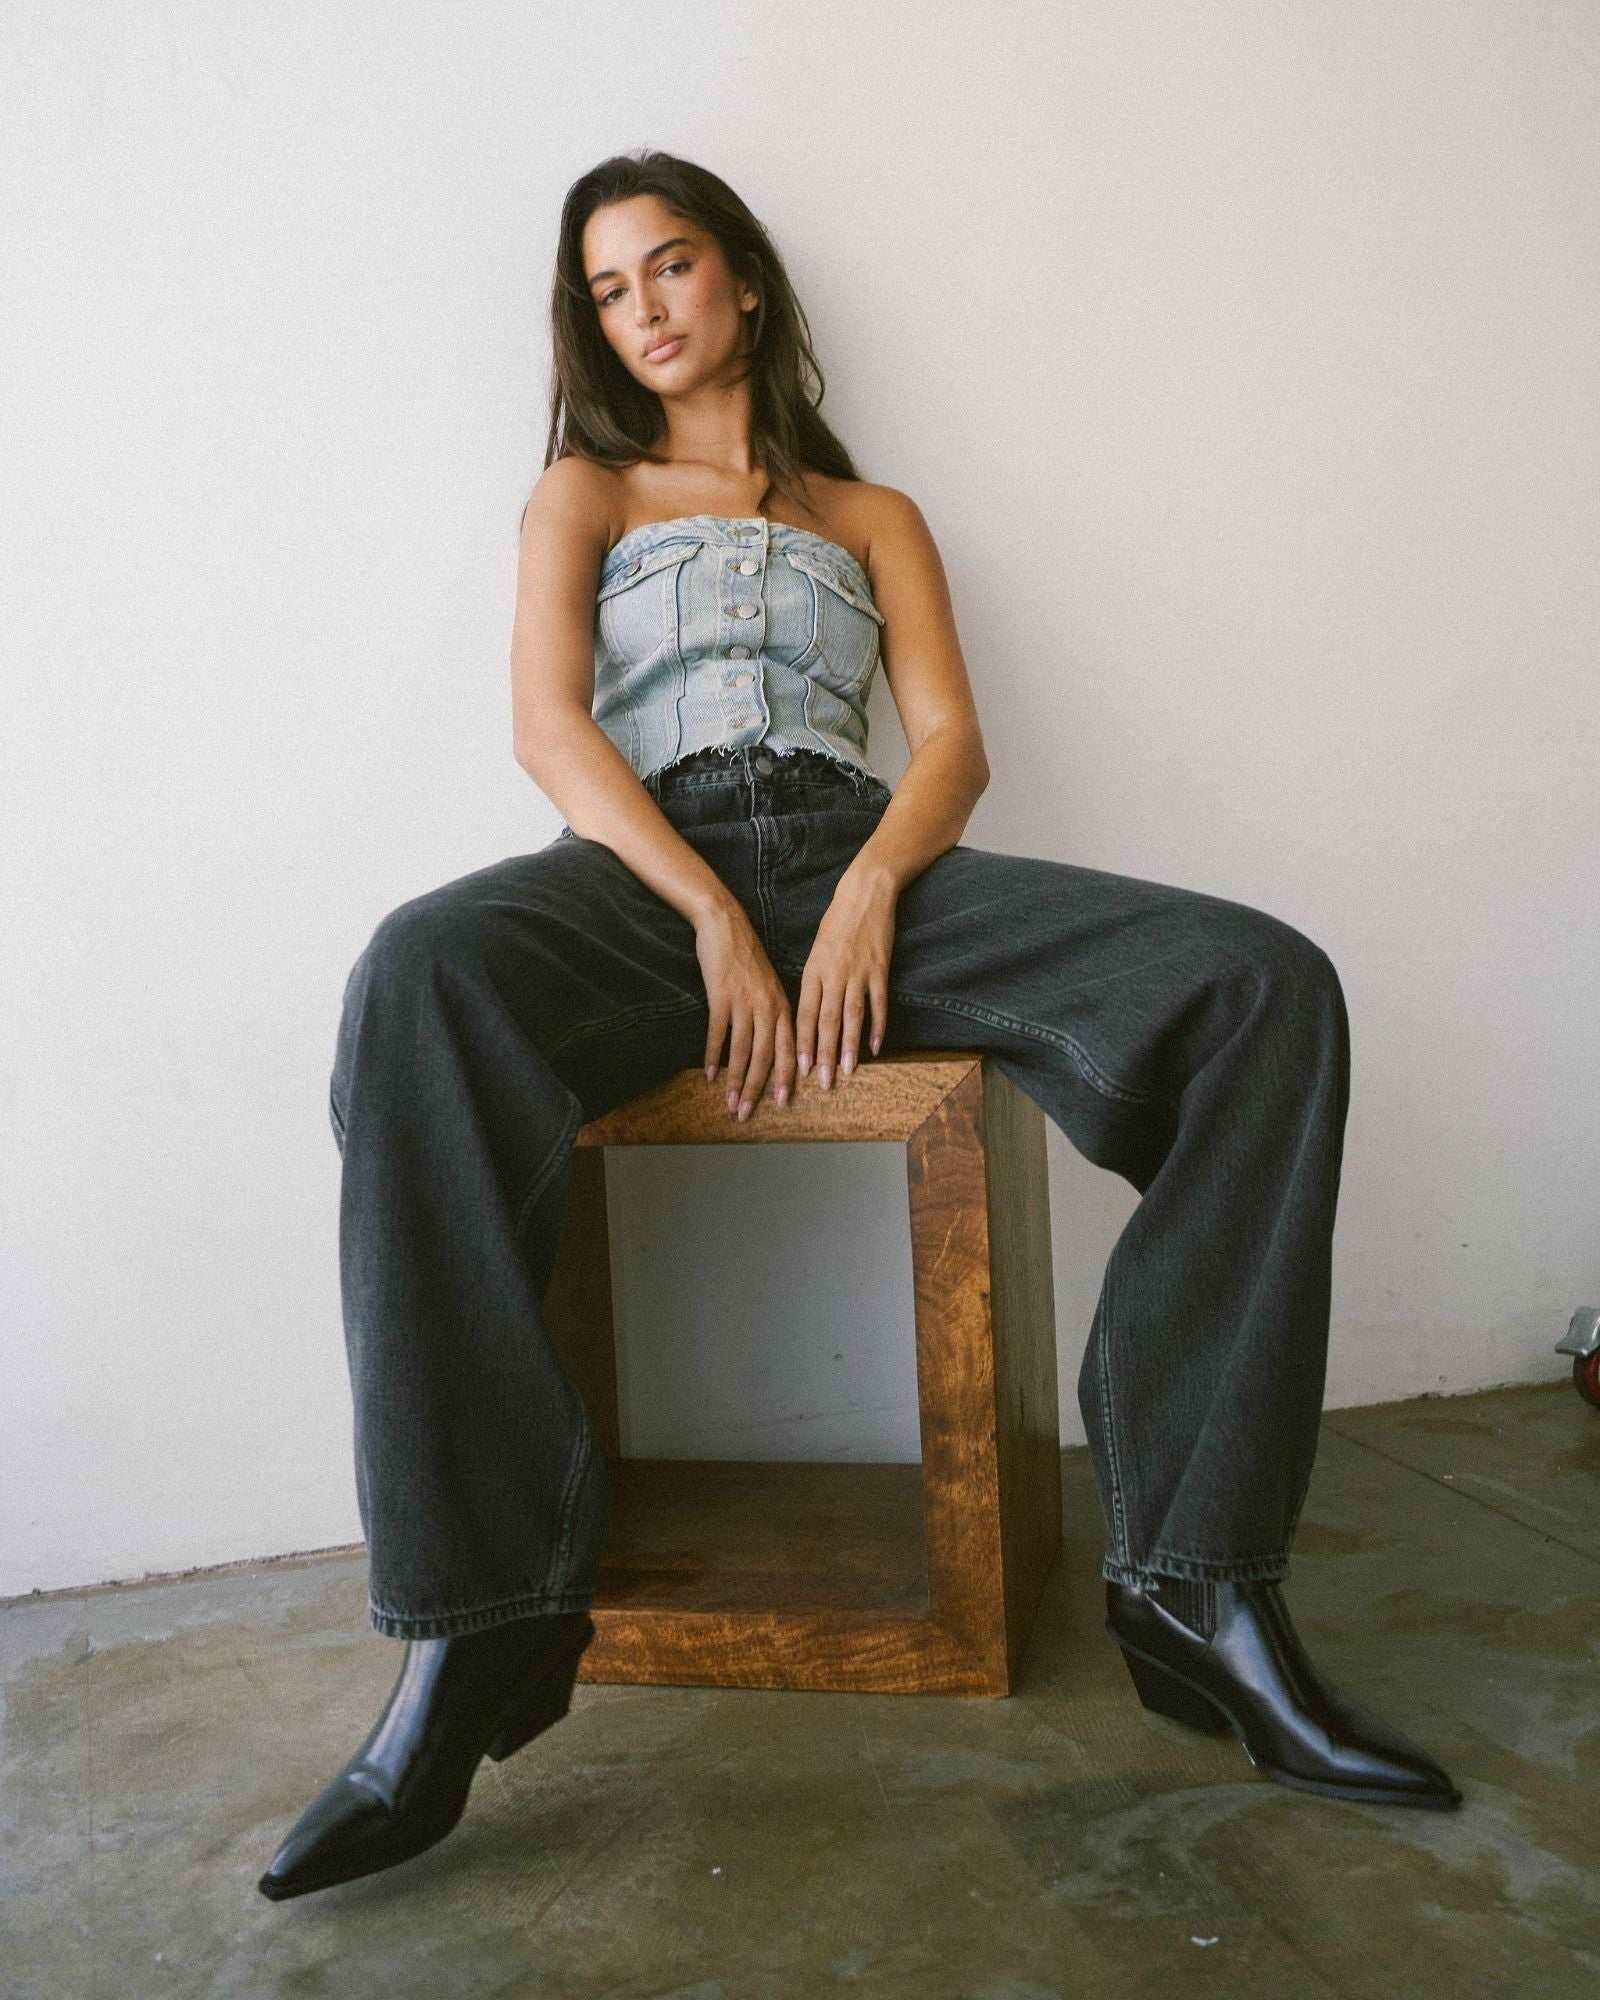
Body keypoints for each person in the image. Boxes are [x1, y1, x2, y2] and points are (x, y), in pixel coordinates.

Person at [257, 148, 1460, 1903]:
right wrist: (704, 913)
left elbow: (951, 743)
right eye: (607, 290)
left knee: (1264, 985)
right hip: (642, 878)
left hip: (857, 860)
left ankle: (1199, 1584)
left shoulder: (875, 513)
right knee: (417, 974)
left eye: (671, 266)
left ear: (744, 279)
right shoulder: (585, 492)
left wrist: (878, 885)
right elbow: (549, 731)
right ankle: (477, 1623)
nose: (645, 309)